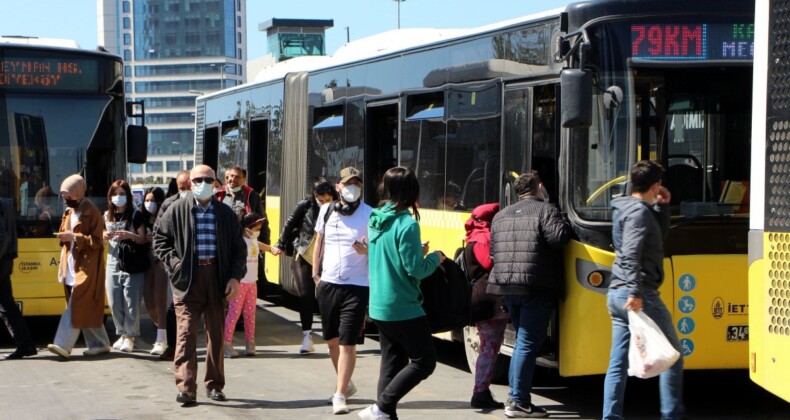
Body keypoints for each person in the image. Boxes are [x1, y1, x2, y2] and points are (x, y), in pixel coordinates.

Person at [154, 164, 246, 406]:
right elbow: (159, 239)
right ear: (190, 183)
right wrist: (174, 264)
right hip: (187, 280)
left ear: (216, 183)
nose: (202, 184)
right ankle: (186, 387)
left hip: (217, 279)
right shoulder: (176, 209)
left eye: (207, 179)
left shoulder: (225, 213)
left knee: (216, 334)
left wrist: (235, 277)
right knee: (185, 334)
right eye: (197, 180)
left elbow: (239, 248)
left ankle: (215, 385)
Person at [360, 166, 445, 420]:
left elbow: (389, 254)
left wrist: (416, 251)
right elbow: (416, 270)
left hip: (379, 304)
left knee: (391, 363)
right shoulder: (407, 224)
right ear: (411, 190)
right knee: (424, 361)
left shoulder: (376, 218)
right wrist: (434, 258)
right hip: (403, 305)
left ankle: (384, 413)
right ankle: (382, 407)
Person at [602, 160, 684, 420]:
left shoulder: (627, 208)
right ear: (655, 185)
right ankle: (671, 415)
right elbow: (632, 254)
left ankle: (610, 416)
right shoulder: (638, 213)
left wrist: (662, 206)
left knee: (617, 361)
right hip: (638, 293)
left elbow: (656, 238)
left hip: (617, 292)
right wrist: (635, 292)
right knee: (672, 354)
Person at [487, 170, 571, 418]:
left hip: (507, 287)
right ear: (540, 187)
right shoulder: (545, 210)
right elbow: (559, 238)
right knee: (527, 342)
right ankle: (518, 401)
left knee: (521, 342)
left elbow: (494, 252)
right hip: (535, 285)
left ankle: (515, 398)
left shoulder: (500, 216)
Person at [312, 166, 372, 415]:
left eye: (357, 183)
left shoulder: (371, 214)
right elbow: (319, 243)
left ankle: (339, 394)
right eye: (348, 183)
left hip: (356, 285)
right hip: (327, 283)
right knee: (332, 340)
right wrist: (316, 274)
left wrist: (367, 250)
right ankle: (346, 385)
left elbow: (378, 247)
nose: (352, 188)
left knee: (348, 342)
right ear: (338, 187)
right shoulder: (326, 210)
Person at [47, 174, 112, 359]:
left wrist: (76, 237)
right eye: (63, 195)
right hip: (70, 264)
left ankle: (62, 344)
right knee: (86, 305)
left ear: (78, 192)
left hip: (87, 267)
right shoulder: (68, 211)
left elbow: (98, 241)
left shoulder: (92, 211)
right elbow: (64, 233)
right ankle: (100, 343)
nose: (65, 199)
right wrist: (63, 236)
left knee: (76, 304)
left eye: (68, 195)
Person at [270, 178, 337, 354]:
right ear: (314, 196)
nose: (324, 203)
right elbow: (289, 224)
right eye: (320, 200)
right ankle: (307, 337)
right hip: (304, 254)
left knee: (327, 297)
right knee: (306, 295)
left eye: (327, 200)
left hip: (327, 257)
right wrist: (280, 243)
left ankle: (332, 337)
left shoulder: (339, 207)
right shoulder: (305, 205)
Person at [463, 202, 509, 410]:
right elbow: (489, 263)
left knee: (488, 347)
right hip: (488, 300)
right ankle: (480, 392)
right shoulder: (483, 238)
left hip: (482, 298)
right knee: (489, 348)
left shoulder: (472, 236)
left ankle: (482, 390)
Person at [103, 179, 147, 353]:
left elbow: (143, 239)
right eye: (115, 194)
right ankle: (121, 333)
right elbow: (100, 234)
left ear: (128, 196)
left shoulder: (136, 214)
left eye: (122, 194)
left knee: (131, 302)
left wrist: (131, 236)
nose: (118, 197)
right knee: (114, 301)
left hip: (132, 262)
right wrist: (104, 235)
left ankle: (130, 336)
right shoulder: (106, 216)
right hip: (113, 261)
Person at [154, 170, 191, 361]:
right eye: (181, 188)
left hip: (199, 264)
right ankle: (172, 346)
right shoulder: (169, 204)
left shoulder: (205, 205)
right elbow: (158, 233)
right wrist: (164, 258)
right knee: (173, 307)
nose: (185, 191)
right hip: (176, 265)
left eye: (188, 187)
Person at [223, 212, 266, 358]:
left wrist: (271, 249)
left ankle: (250, 342)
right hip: (240, 283)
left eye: (259, 228)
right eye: (255, 228)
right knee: (234, 314)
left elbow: (258, 245)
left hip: (252, 282)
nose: (257, 231)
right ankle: (226, 343)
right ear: (247, 228)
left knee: (250, 314)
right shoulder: (239, 241)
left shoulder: (253, 239)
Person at [0, 197, 37, 359]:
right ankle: (25, 344)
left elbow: (2, 236)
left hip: (1, 259)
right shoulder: (4, 203)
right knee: (6, 305)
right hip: (5, 259)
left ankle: (25, 344)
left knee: (6, 305)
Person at [141, 187, 169, 355]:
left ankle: (162, 337)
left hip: (160, 262)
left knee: (160, 300)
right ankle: (162, 327)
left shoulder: (165, 216)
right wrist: (143, 238)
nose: (149, 204)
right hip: (146, 262)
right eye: (147, 200)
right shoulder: (142, 217)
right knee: (149, 301)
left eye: (152, 200)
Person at [215, 165, 270, 245]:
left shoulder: (252, 196)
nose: (233, 179)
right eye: (231, 176)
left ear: (244, 180)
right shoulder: (218, 194)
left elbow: (262, 220)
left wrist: (265, 242)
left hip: (243, 244)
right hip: (221, 242)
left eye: (237, 177)